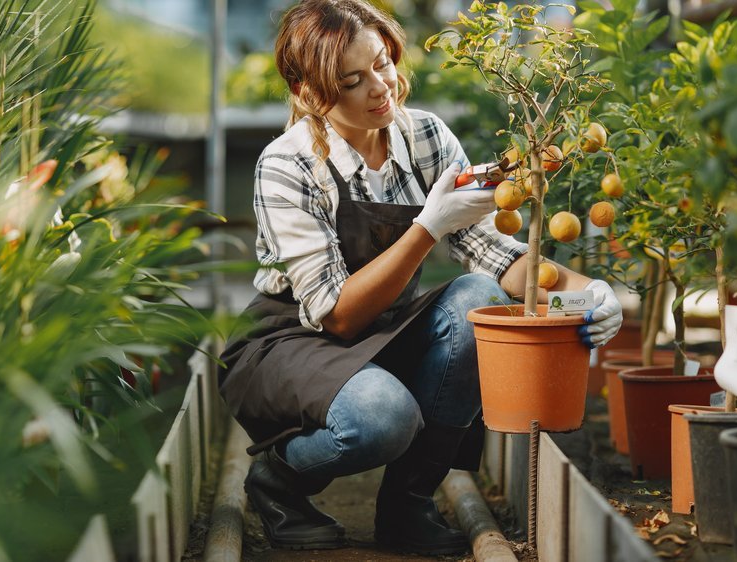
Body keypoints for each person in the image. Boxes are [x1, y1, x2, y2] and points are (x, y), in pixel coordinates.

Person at [218, 0, 623, 555]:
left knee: (476, 297)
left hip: (381, 329)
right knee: (382, 417)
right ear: (312, 93)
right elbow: (335, 314)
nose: (381, 86)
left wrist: (590, 294)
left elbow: (494, 254)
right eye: (352, 80)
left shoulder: (425, 138)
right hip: (294, 340)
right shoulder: (288, 166)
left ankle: (407, 507)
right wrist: (428, 226)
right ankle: (278, 480)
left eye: (382, 63)